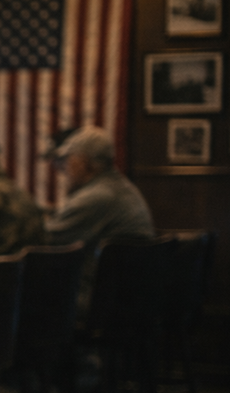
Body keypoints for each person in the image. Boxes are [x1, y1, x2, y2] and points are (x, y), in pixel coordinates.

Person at [44, 125, 155, 306]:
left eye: (68, 159)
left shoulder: (97, 196)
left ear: (84, 162)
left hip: (99, 300)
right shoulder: (122, 187)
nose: (63, 168)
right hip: (129, 297)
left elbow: (44, 239)